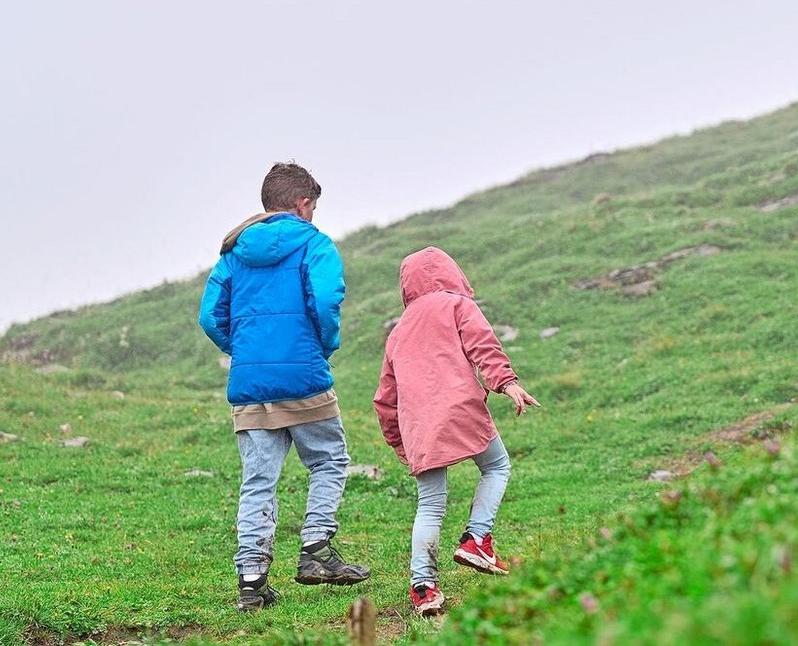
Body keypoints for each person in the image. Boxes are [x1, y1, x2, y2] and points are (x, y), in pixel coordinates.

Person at [197, 161, 370, 612]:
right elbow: (327, 300)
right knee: (330, 460)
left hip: (251, 383)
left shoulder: (233, 253)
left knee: (258, 481)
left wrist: (243, 348)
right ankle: (316, 552)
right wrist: (323, 344)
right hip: (304, 375)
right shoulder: (315, 244)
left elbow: (209, 316)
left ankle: (251, 581)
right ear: (303, 203)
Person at [374, 246, 540, 617]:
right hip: (461, 409)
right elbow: (483, 346)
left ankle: (423, 587)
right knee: (496, 466)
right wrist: (507, 383)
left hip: (419, 426)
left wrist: (401, 444)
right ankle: (477, 538)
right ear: (453, 274)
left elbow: (385, 399)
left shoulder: (398, 331)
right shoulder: (456, 304)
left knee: (430, 504)